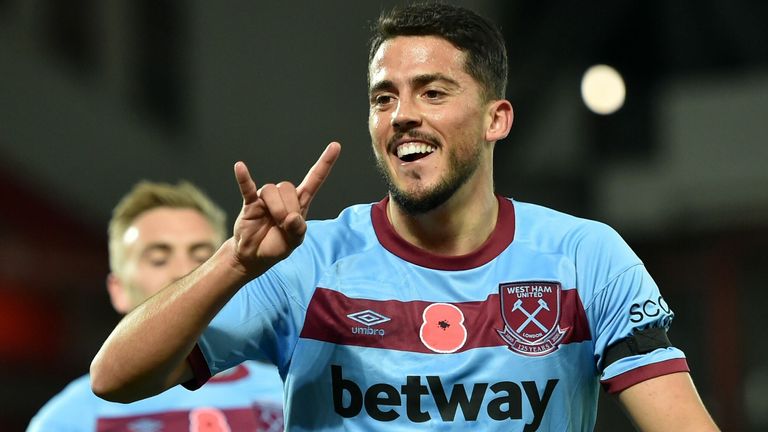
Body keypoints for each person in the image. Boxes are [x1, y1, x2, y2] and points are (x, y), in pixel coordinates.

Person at [90, 3, 719, 431]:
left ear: (497, 118)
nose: (402, 115)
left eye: (433, 92)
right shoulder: (306, 260)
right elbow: (113, 379)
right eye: (384, 98)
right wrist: (234, 261)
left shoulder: (587, 259)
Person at [28, 181, 284, 431]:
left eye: (203, 258)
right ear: (118, 290)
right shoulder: (72, 418)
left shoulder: (288, 393)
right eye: (159, 259)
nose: (185, 273)